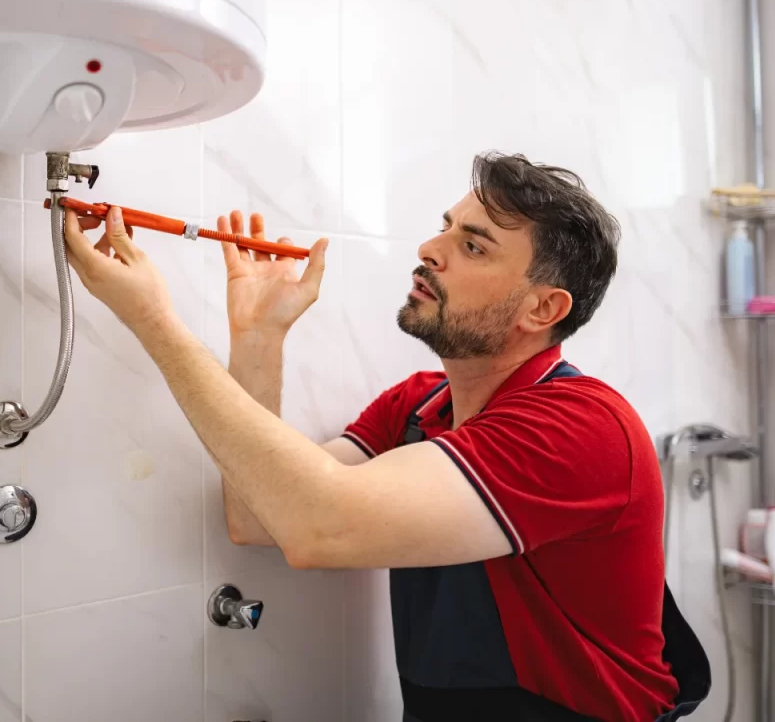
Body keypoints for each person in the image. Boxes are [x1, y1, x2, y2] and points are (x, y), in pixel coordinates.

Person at [63, 151, 709, 722]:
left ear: (542, 309)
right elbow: (261, 519)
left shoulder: (582, 428)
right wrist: (259, 339)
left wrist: (153, 321)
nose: (432, 248)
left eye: (474, 246)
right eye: (446, 227)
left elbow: (320, 527)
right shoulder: (419, 404)